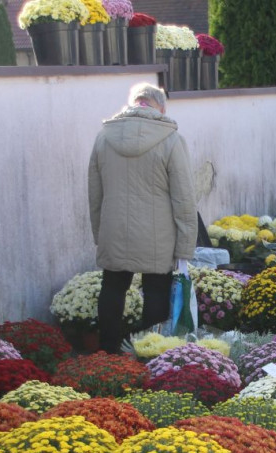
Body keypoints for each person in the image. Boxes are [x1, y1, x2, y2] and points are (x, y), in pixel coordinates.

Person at [88, 82, 197, 354]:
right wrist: (185, 247)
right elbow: (184, 197)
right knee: (156, 291)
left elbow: (95, 193)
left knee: (112, 288)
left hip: (114, 229)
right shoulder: (171, 139)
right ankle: (151, 356)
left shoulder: (104, 137)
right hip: (157, 235)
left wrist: (99, 233)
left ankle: (107, 354)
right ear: (161, 108)